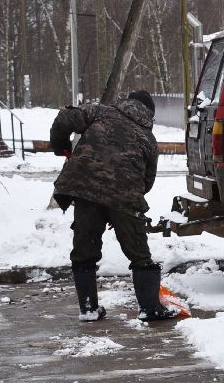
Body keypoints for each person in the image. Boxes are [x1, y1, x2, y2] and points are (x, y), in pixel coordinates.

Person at [50, 89, 179, 322]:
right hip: (125, 198)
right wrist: (123, 202)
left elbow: (64, 117)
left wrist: (62, 148)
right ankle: (150, 308)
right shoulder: (148, 139)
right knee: (139, 254)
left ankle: (88, 309)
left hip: (86, 191)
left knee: (84, 250)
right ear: (149, 113)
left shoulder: (98, 112)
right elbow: (147, 181)